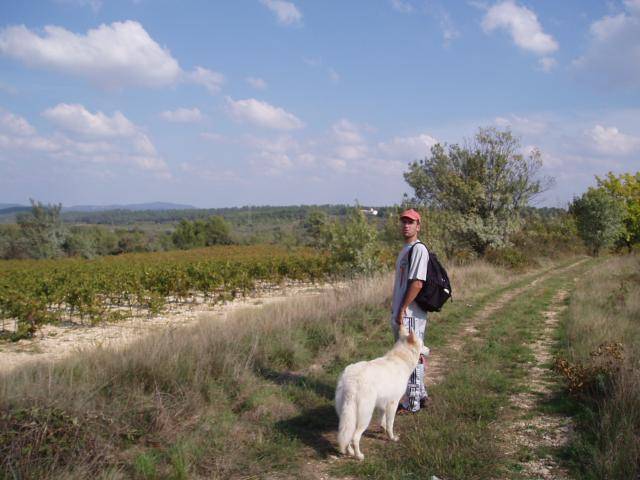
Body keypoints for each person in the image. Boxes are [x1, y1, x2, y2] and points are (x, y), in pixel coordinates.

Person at [390, 208, 429, 413]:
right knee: (413, 355)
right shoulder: (405, 249)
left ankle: (411, 403)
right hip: (404, 312)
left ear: (418, 226)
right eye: (404, 222)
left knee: (409, 357)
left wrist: (403, 308)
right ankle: (420, 395)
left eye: (411, 222)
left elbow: (417, 283)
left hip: (411, 314)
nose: (406, 225)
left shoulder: (418, 249)